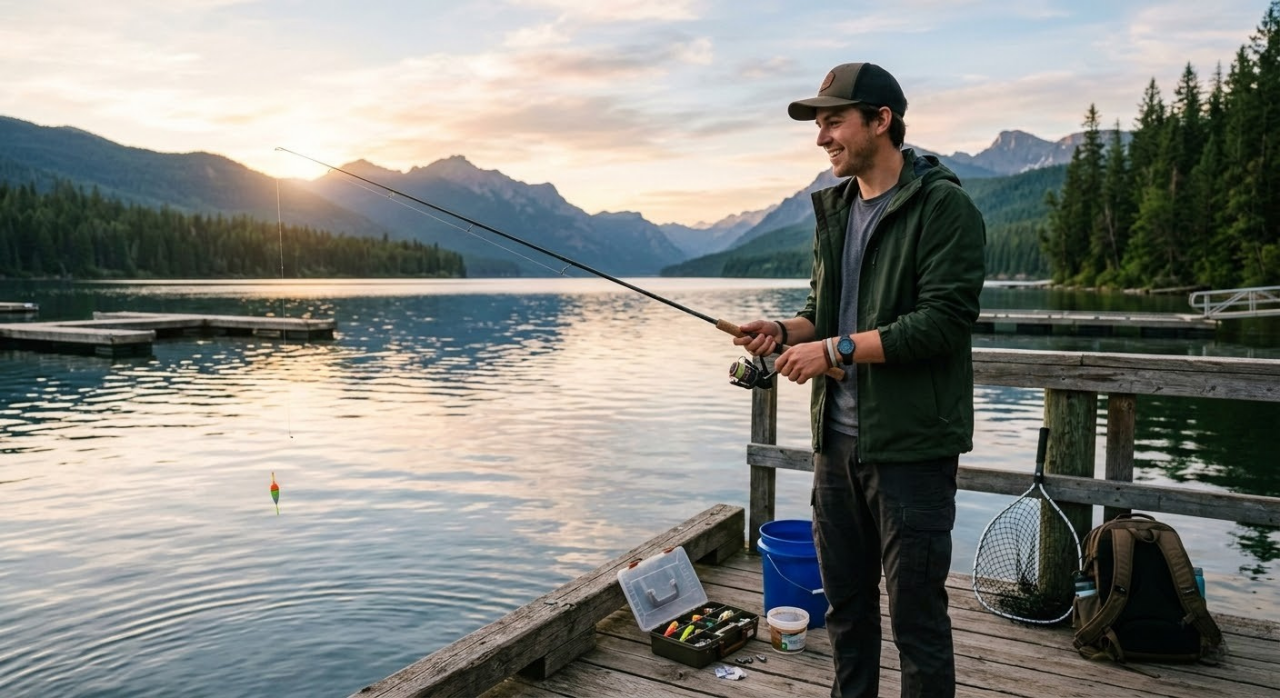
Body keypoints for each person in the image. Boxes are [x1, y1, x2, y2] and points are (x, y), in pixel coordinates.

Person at [735, 62, 985, 698]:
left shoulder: (944, 206)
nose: (822, 137)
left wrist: (834, 349)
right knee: (845, 611)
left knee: (917, 619)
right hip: (836, 449)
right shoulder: (838, 209)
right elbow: (824, 310)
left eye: (834, 121)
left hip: (912, 450)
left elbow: (941, 325)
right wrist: (784, 331)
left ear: (882, 120)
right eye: (819, 125)